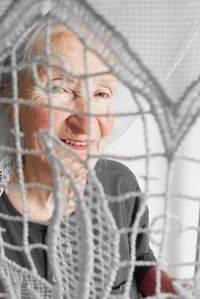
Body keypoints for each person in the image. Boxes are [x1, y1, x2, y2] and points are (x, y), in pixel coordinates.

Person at [0, 19, 177, 298]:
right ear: (11, 103)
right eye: (59, 88)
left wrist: (171, 288)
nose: (87, 124)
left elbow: (138, 260)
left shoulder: (120, 184)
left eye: (101, 93)